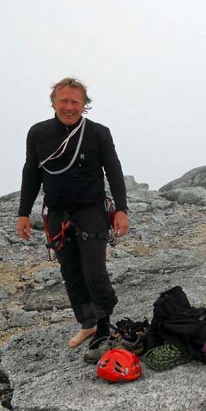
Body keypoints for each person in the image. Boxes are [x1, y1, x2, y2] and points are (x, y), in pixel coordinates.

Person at [16, 77, 129, 363]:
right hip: (56, 214)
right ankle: (87, 323)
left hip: (91, 210)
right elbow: (31, 172)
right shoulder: (38, 133)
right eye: (63, 100)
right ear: (54, 101)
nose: (69, 107)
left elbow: (113, 171)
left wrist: (121, 209)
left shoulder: (98, 133)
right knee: (71, 272)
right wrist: (22, 213)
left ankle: (104, 325)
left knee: (95, 272)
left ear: (84, 105)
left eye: (75, 102)